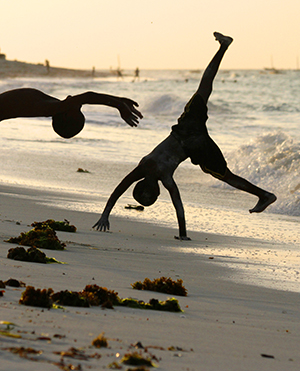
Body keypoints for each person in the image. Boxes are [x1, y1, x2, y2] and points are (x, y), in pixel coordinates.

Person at [93, 32, 276, 240]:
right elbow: (119, 189)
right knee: (204, 88)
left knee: (226, 175)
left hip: (195, 144)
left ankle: (264, 195)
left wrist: (183, 235)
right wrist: (105, 213)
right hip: (189, 129)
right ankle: (224, 47)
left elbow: (178, 206)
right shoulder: (144, 166)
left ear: (155, 191)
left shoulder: (166, 178)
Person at [0, 88, 143, 138]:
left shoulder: (51, 108)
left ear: (66, 114)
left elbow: (88, 96)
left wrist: (119, 105)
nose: (78, 105)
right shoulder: (50, 106)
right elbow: (87, 97)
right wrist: (119, 100)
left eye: (77, 110)